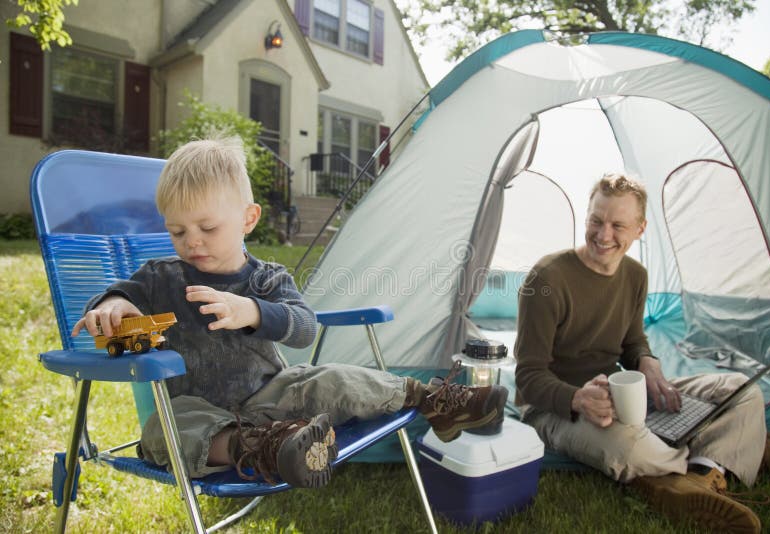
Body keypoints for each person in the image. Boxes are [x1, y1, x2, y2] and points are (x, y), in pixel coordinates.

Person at [72, 136, 507, 489]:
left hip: (273, 395)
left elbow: (303, 328)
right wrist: (114, 306)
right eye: (177, 231)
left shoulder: (266, 279)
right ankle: (266, 451)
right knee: (162, 433)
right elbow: (115, 298)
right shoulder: (159, 278)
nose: (192, 242)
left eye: (207, 228)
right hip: (201, 411)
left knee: (331, 376)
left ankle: (432, 399)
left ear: (248, 219)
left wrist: (253, 312)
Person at [514, 173, 770, 533]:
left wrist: (646, 363)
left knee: (742, 390)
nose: (604, 235)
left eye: (618, 225)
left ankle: (704, 462)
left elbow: (633, 343)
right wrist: (577, 399)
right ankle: (724, 455)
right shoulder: (546, 280)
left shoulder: (636, 275)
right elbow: (528, 378)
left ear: (640, 229)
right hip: (554, 407)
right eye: (596, 221)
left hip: (618, 392)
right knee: (629, 446)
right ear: (586, 216)